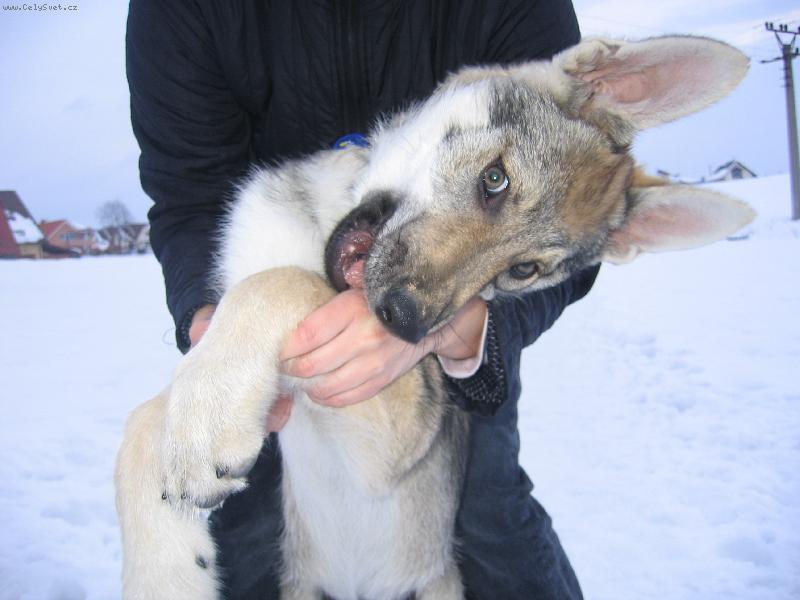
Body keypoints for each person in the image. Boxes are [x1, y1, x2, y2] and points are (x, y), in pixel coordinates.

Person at [126, 1, 599, 598]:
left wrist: (464, 327)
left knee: (490, 511)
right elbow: (191, 192)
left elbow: (573, 237)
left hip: (460, 295)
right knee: (240, 525)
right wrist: (213, 326)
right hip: (291, 236)